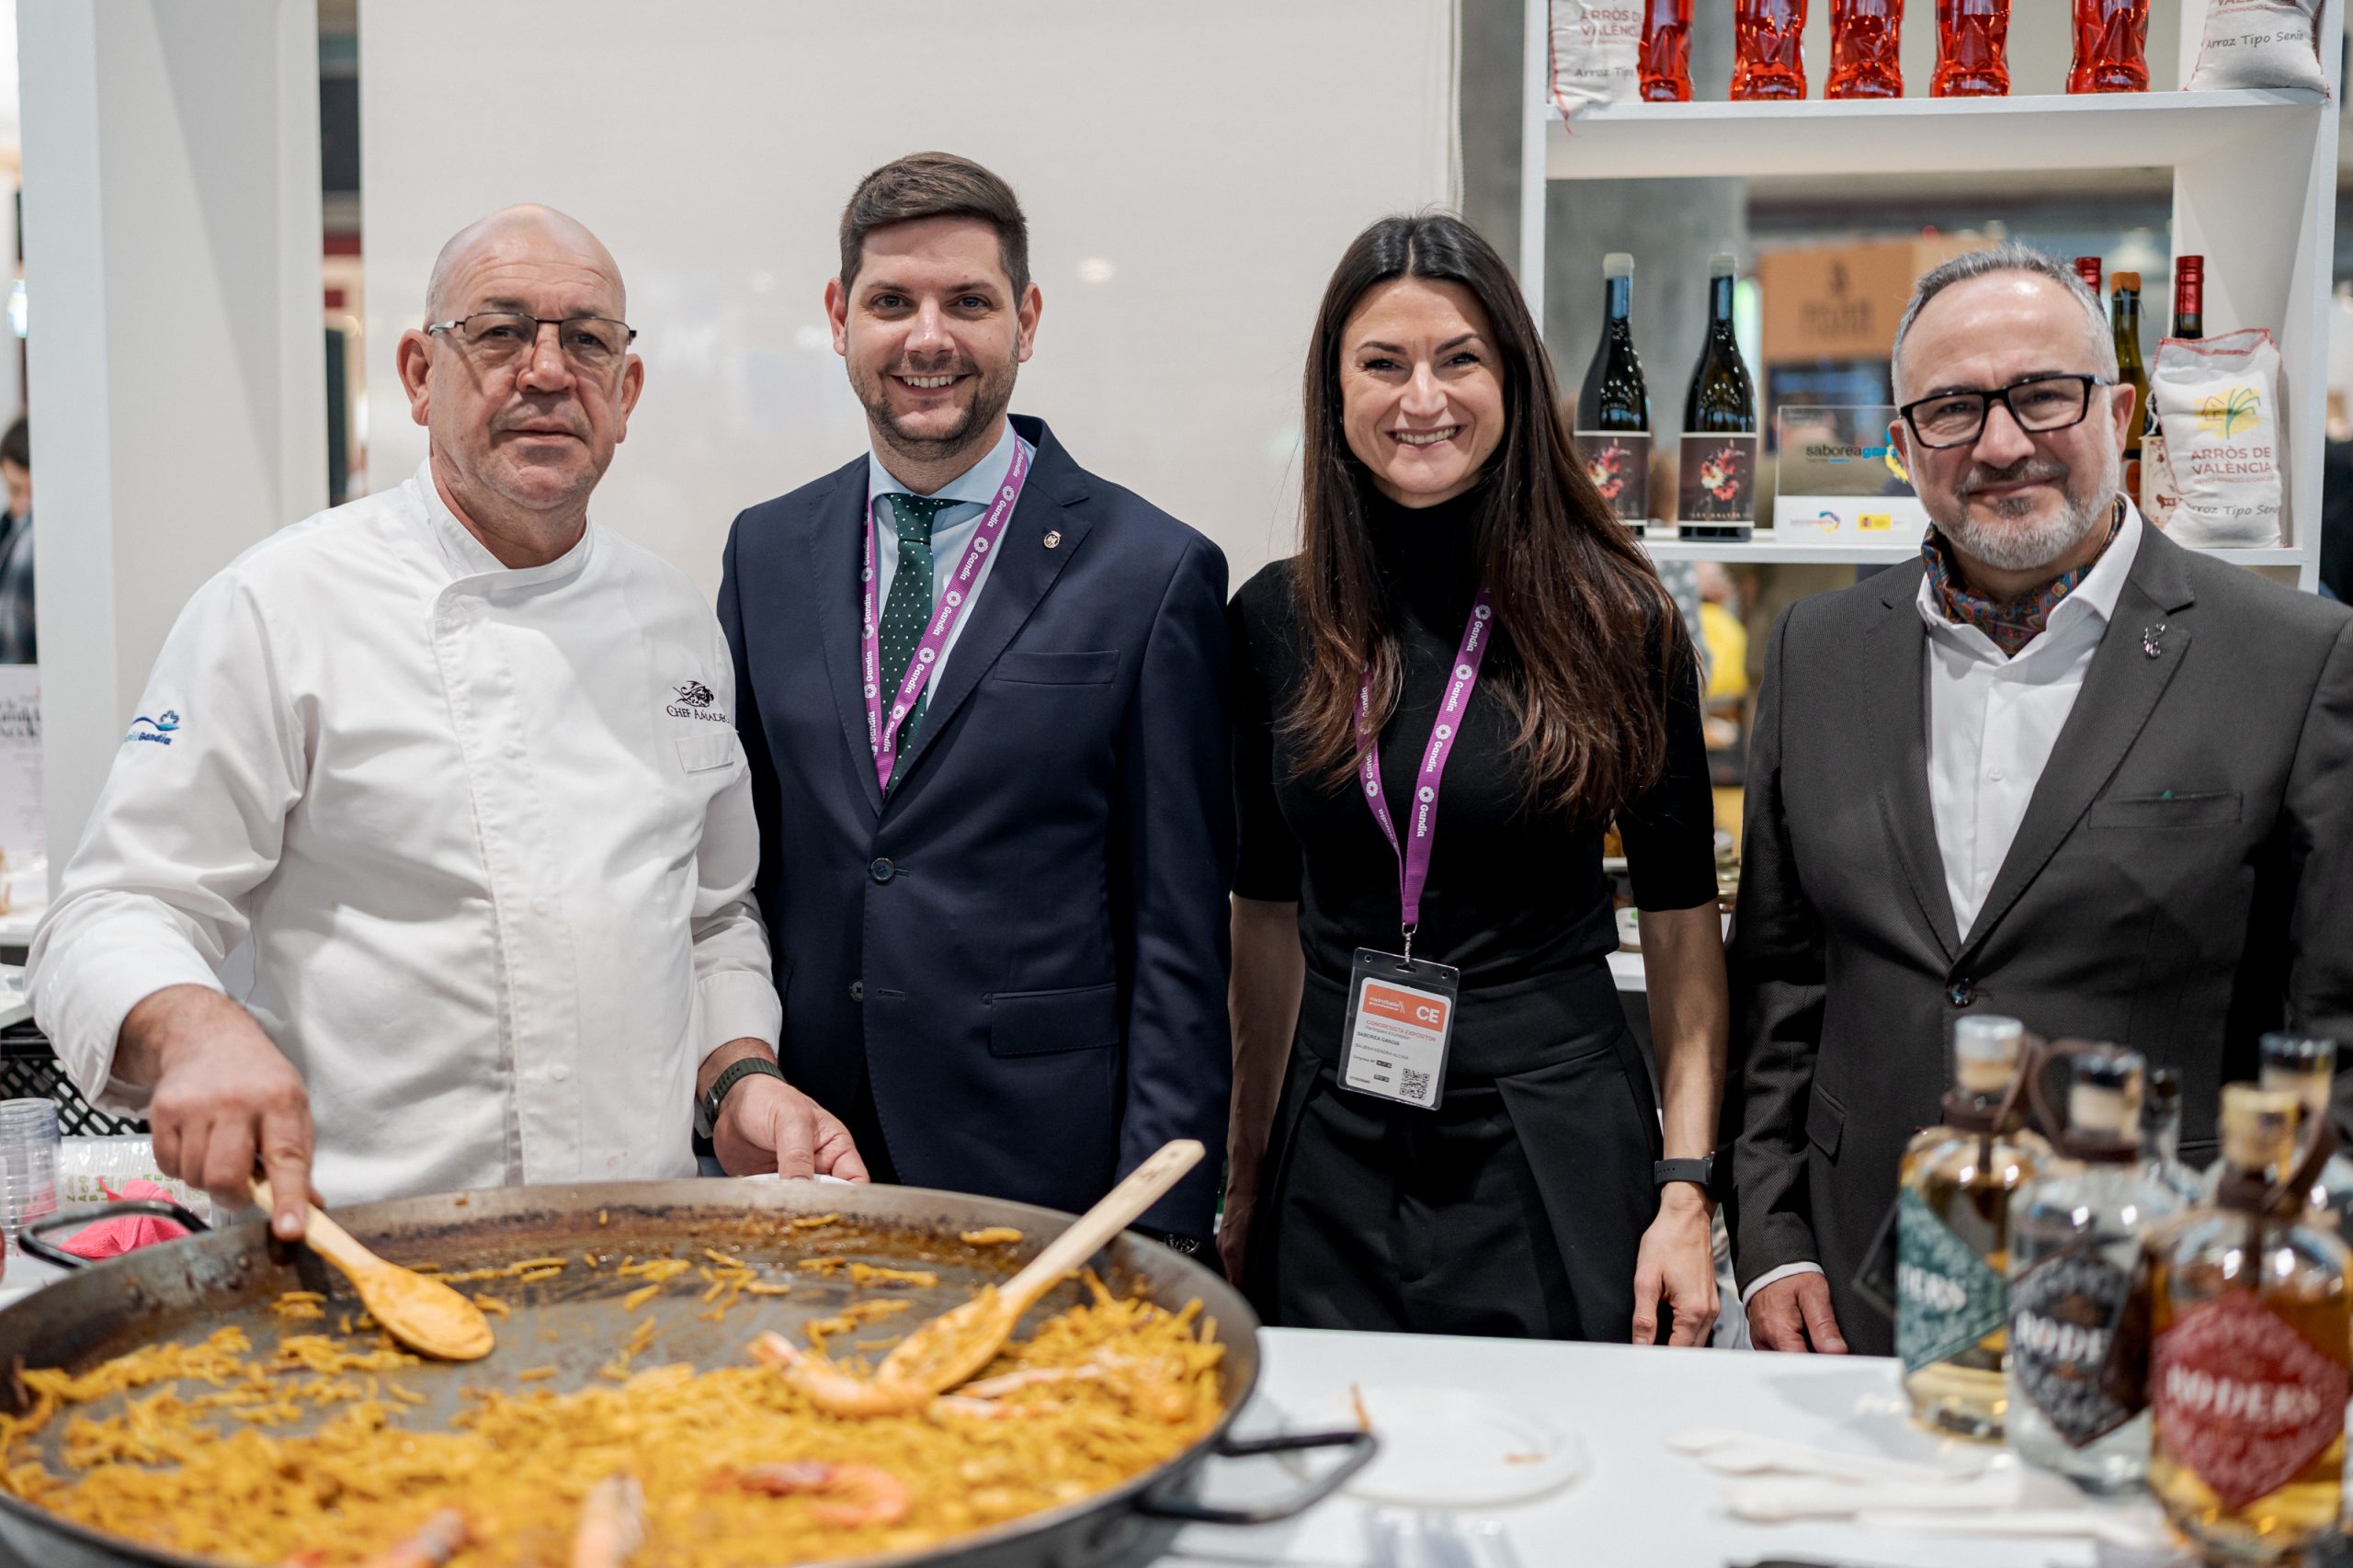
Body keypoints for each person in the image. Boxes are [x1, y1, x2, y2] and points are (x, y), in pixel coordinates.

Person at [29, 206, 862, 1243]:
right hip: (356, 1259)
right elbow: (116, 907)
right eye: (500, 332)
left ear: (626, 392)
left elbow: (708, 916)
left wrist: (739, 1074)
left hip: (635, 1261)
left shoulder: (674, 622)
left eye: (587, 340)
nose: (547, 371)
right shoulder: (280, 607)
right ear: (420, 376)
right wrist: (194, 1030)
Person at [1729, 243, 2353, 1357]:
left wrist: (2272, 1279)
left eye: (2042, 394)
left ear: (2117, 410)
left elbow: (2333, 1026)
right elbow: (1781, 980)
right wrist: (1771, 1234)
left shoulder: (2292, 658)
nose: (2001, 442)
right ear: (1901, 444)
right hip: (1854, 1281)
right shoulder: (1816, 650)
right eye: (1952, 408)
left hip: (2155, 1291)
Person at [1224, 212, 1727, 1343]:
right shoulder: (1272, 619)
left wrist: (1687, 1187)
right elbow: (1261, 914)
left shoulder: (1616, 618)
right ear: (1334, 391)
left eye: (1458, 359)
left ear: (1511, 377)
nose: (1422, 399)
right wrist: (1247, 1164)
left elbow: (1683, 926)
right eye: (1382, 363)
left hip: (1551, 1131)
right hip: (1332, 1139)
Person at [717, 153, 1232, 1249]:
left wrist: (1162, 1228)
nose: (927, 338)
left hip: (1042, 1172)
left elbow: (1177, 937)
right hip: (810, 1158)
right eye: (890, 302)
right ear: (838, 317)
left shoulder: (1151, 571)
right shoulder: (764, 552)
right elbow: (742, 874)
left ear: (1025, 319)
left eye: (967, 301)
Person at [0, 416, 35, 663]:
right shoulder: (8, 531)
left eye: (32, 492)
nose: (23, 503)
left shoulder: (31, 541)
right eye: (14, 490)